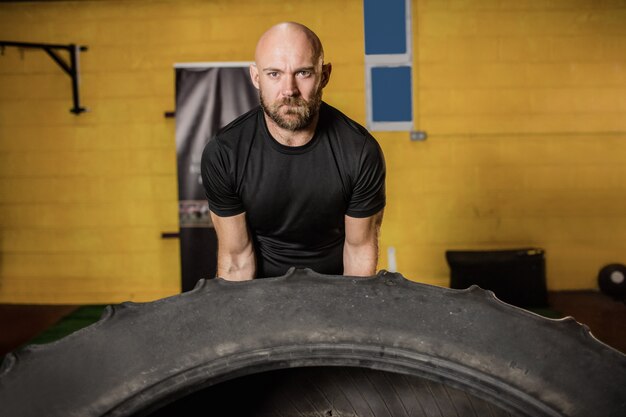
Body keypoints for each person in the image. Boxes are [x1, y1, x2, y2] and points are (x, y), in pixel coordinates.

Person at [201, 22, 385, 281]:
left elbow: (359, 252)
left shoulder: (360, 152)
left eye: (303, 73)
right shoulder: (224, 154)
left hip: (336, 293)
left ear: (325, 75)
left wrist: (349, 319)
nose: (289, 90)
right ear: (256, 77)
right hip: (260, 296)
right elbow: (236, 259)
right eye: (274, 74)